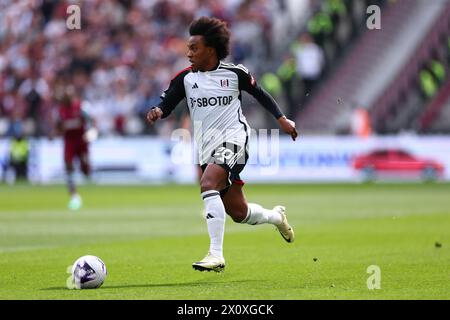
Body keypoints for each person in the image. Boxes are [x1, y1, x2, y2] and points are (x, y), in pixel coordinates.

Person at [146, 17, 298, 272]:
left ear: (211, 49)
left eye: (194, 48)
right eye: (188, 47)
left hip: (236, 139)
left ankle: (216, 255)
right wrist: (157, 111)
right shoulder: (185, 79)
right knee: (240, 213)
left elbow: (260, 93)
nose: (188, 53)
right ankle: (276, 217)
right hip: (207, 147)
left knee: (207, 183)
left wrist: (281, 119)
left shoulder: (235, 73)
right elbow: (167, 102)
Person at [53, 86, 95, 210]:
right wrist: (54, 133)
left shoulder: (81, 107)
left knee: (85, 167)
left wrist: (91, 132)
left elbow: (91, 121)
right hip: (69, 141)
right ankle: (74, 195)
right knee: (68, 165)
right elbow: (58, 126)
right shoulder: (60, 110)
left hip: (81, 140)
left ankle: (86, 170)